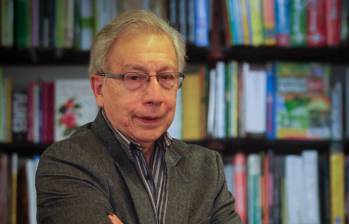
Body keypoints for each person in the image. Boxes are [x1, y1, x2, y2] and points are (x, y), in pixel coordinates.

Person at [35, 10, 242, 224]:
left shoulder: (206, 167)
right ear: (99, 89)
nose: (155, 96)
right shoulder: (67, 162)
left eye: (166, 77)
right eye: (134, 77)